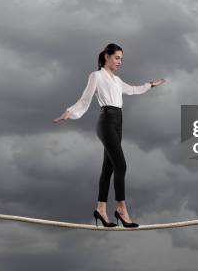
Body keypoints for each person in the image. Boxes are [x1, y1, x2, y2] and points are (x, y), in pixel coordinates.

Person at [53, 43, 166, 228]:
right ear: (107, 56)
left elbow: (134, 89)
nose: (120, 61)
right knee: (121, 165)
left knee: (109, 168)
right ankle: (122, 209)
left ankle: (101, 209)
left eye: (121, 59)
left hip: (118, 123)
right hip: (106, 121)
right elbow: (85, 99)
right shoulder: (96, 76)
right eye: (117, 57)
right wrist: (70, 112)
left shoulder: (117, 81)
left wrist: (151, 84)